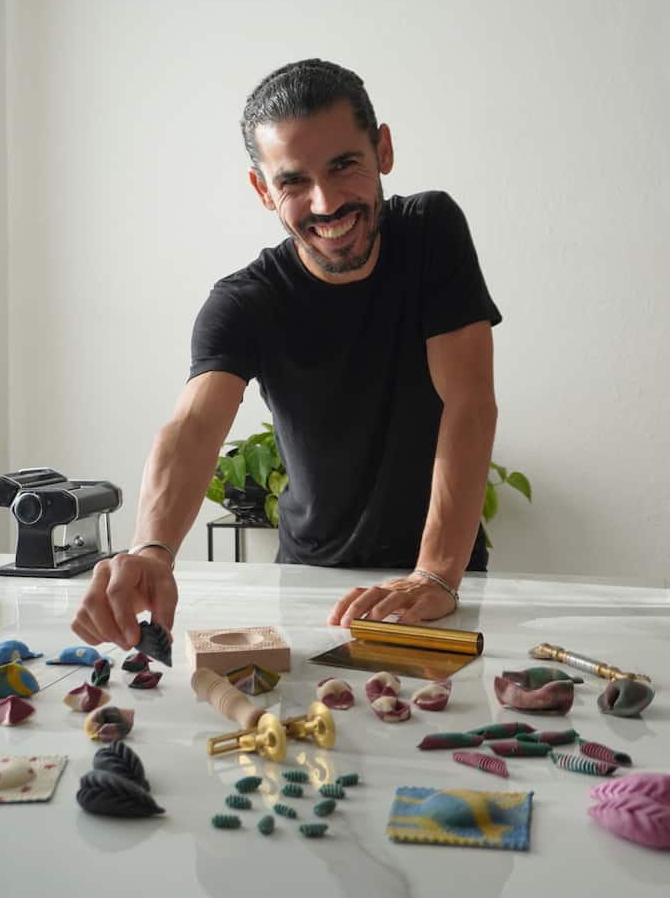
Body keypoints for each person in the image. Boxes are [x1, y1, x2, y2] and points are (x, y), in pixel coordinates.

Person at [72, 59, 500, 651]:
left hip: (445, 579)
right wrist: (151, 549)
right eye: (294, 181)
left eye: (344, 165)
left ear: (383, 150)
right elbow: (193, 426)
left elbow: (469, 401)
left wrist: (434, 574)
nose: (326, 203)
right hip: (310, 585)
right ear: (263, 190)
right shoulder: (243, 302)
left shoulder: (431, 231)